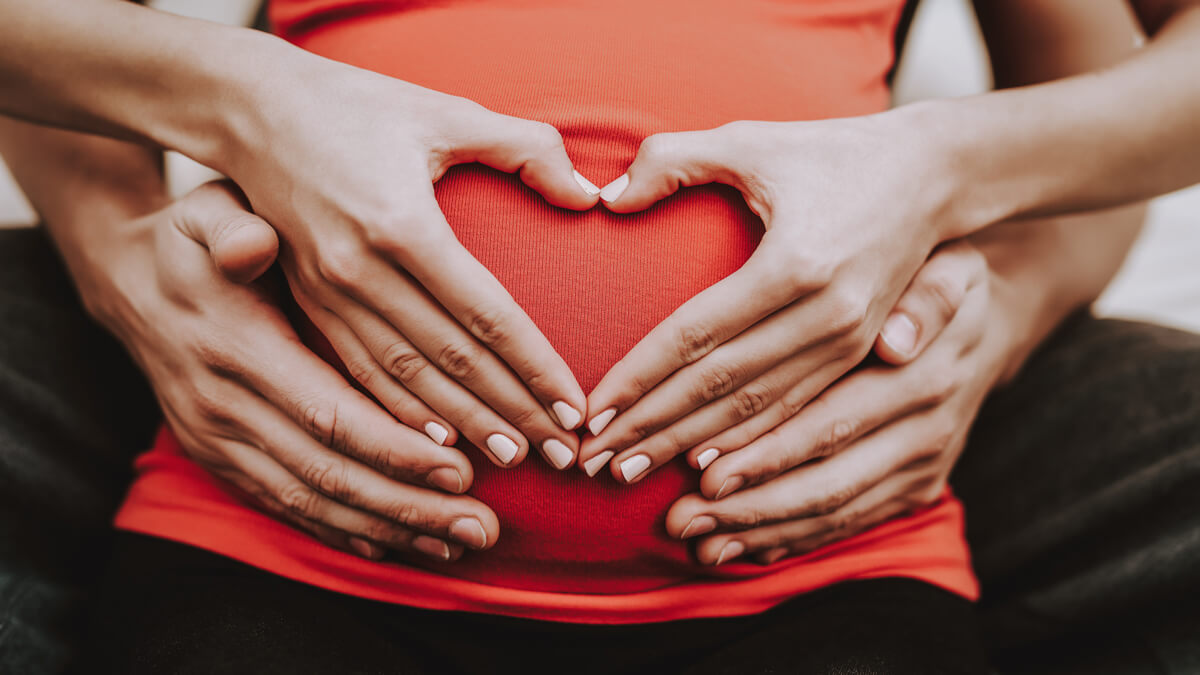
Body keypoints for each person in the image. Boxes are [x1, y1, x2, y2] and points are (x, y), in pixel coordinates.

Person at [0, 0, 1198, 672]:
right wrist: (140, 232)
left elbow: (1101, 150)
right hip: (278, 534)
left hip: (819, 568)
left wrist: (968, 256)